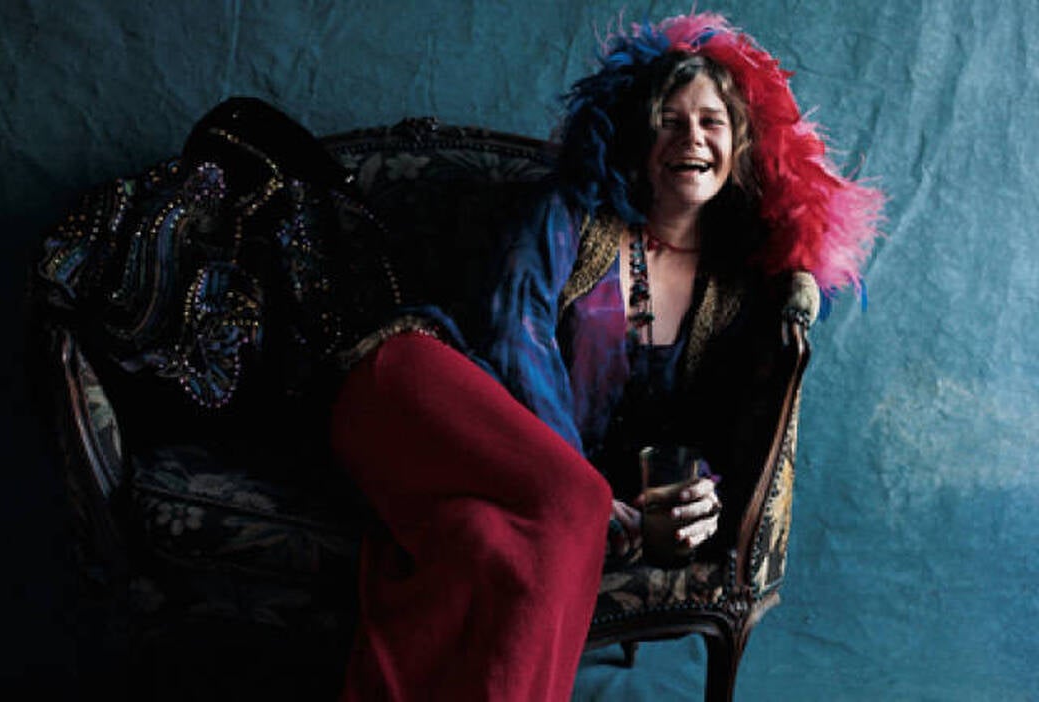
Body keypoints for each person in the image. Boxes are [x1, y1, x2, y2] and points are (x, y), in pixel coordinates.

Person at [328, 11, 883, 701]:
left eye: (710, 122)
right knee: (581, 503)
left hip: (528, 495)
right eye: (668, 121)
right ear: (638, 139)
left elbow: (709, 429)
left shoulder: (735, 290)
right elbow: (514, 336)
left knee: (487, 543)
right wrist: (587, 488)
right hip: (411, 389)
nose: (691, 138)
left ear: (739, 144)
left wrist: (694, 498)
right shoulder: (571, 215)